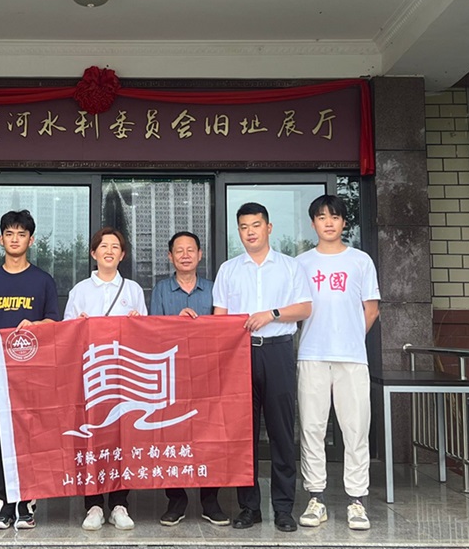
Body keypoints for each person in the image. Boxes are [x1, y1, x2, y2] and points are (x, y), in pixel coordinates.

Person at [212, 202, 312, 533]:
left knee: (282, 433)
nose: (250, 232)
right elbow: (219, 316)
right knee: (243, 435)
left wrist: (272, 314)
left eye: (256, 225)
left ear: (269, 228)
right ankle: (249, 507)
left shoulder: (290, 266)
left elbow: (305, 308)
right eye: (243, 227)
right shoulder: (229, 269)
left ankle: (283, 508)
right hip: (239, 354)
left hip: (278, 351)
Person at [294, 194, 380, 531]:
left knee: (355, 428)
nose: (328, 222)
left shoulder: (360, 261)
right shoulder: (301, 263)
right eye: (321, 217)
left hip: (352, 358)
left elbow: (371, 309)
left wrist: (350, 337)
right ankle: (316, 497)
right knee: (312, 428)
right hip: (312, 355)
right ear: (312, 223)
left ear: (344, 222)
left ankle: (357, 501)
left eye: (334, 217)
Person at [0, 210, 59, 531]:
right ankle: (1, 504)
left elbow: (53, 322)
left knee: (29, 439)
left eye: (21, 234)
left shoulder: (43, 280)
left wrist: (36, 326)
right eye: (9, 233)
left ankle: (25, 504)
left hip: (30, 376)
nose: (15, 239)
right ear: (1, 239)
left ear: (31, 240)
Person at [63, 227, 147, 531]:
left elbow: (146, 333)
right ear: (93, 253)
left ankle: (120, 504)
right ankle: (94, 505)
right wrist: (77, 325)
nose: (109, 251)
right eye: (103, 246)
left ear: (122, 255)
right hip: (92, 377)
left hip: (124, 377)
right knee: (93, 436)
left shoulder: (133, 290)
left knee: (122, 436)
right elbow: (66, 333)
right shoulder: (81, 290)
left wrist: (138, 324)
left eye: (115, 247)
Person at [149, 231, 229, 527]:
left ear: (200, 255)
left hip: (208, 373)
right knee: (173, 435)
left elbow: (223, 329)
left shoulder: (214, 289)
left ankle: (210, 499)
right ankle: (176, 499)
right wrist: (175, 323)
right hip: (171, 375)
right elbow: (152, 331)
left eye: (190, 250)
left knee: (210, 435)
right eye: (179, 250)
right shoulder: (161, 290)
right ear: (170, 257)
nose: (185, 255)